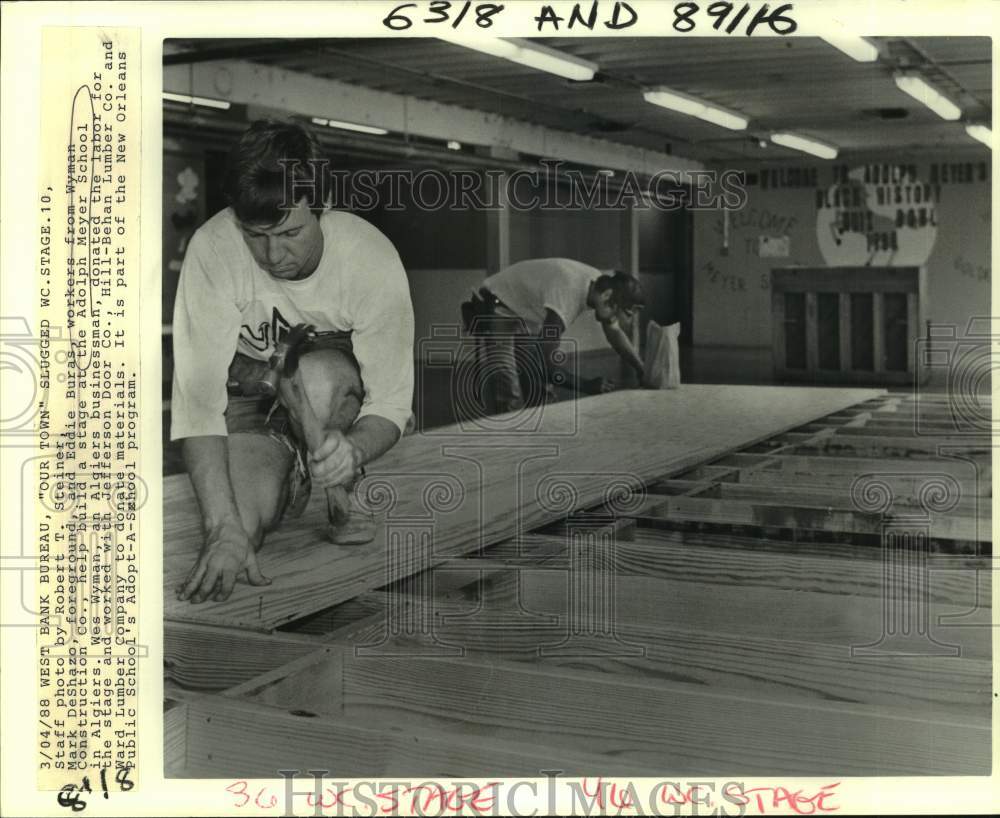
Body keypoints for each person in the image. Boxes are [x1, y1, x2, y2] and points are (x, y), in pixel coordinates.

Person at [171, 119, 414, 604]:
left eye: (289, 233)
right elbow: (197, 401)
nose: (272, 255)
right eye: (254, 236)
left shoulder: (370, 259)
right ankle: (293, 472)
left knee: (309, 375)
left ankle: (336, 476)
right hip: (252, 390)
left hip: (328, 392)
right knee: (243, 527)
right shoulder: (212, 248)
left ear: (320, 209)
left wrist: (354, 450)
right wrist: (222, 528)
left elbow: (391, 402)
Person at [463, 258, 648, 413]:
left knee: (542, 389)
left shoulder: (602, 286)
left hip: (526, 307)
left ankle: (543, 432)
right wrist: (586, 385)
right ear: (607, 296)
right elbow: (546, 365)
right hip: (499, 303)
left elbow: (614, 333)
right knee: (509, 385)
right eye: (617, 314)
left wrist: (641, 368)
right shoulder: (567, 295)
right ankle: (509, 440)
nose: (615, 320)